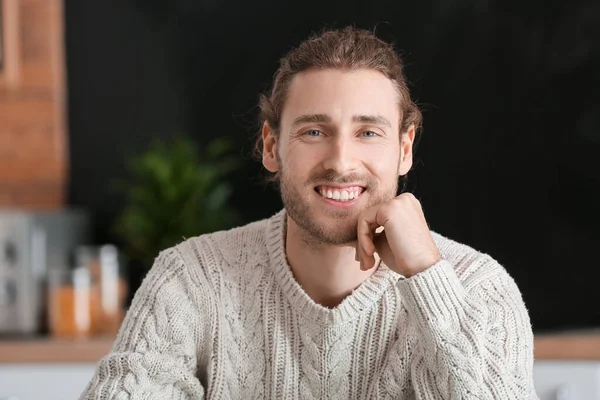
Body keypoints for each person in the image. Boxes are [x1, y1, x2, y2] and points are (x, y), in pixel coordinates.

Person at [81, 26, 538, 399]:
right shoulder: (190, 278)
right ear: (271, 146)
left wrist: (426, 276)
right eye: (315, 131)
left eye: (368, 133)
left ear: (405, 149)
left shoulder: (479, 288)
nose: (341, 162)